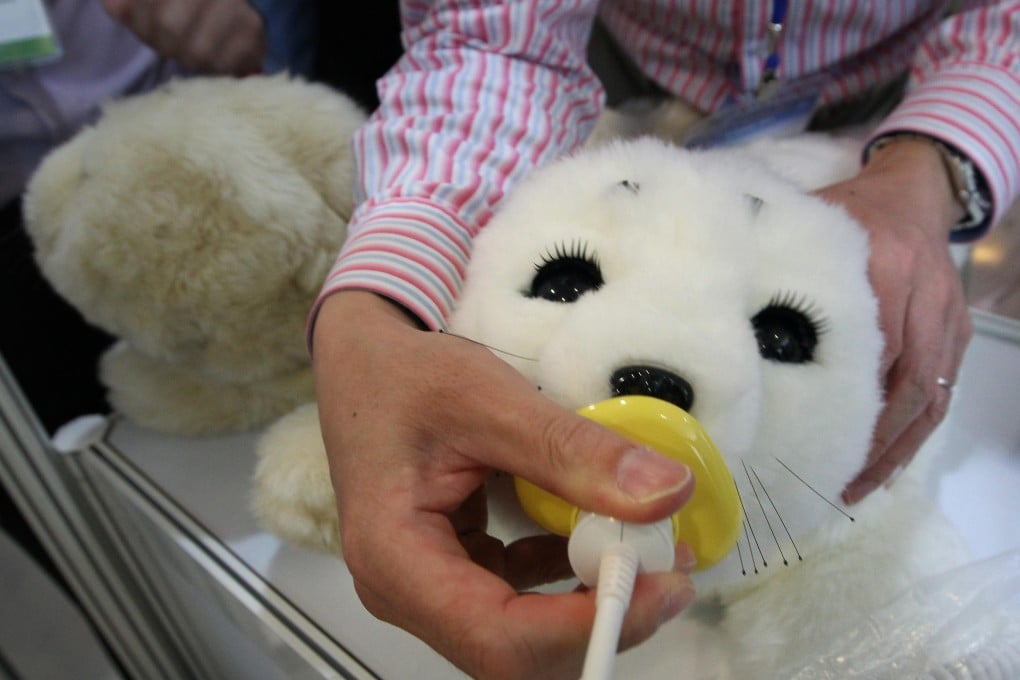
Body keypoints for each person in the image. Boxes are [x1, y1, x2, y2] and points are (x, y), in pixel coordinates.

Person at [310, 2, 1020, 678]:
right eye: (566, 282)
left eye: (781, 333)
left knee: (855, 539)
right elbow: (493, 41)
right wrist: (376, 315)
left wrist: (933, 168)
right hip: (618, 111)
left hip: (887, 134)